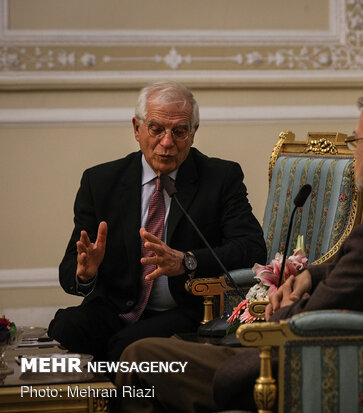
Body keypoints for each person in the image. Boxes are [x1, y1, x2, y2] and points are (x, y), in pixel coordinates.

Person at [115, 84, 363, 412]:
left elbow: (307, 322)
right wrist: (311, 277)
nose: (357, 151)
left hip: (294, 370)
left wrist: (280, 311)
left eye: (356, 141)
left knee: (139, 357)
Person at [48, 80, 267, 362]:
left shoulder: (220, 178)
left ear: (193, 133)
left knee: (126, 348)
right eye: (156, 129)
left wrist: (187, 260)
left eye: (179, 131)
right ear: (137, 129)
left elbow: (251, 247)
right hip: (115, 307)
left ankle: (119, 404)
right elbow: (70, 269)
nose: (167, 142)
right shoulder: (101, 182)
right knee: (66, 328)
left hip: (183, 310)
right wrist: (86, 274)